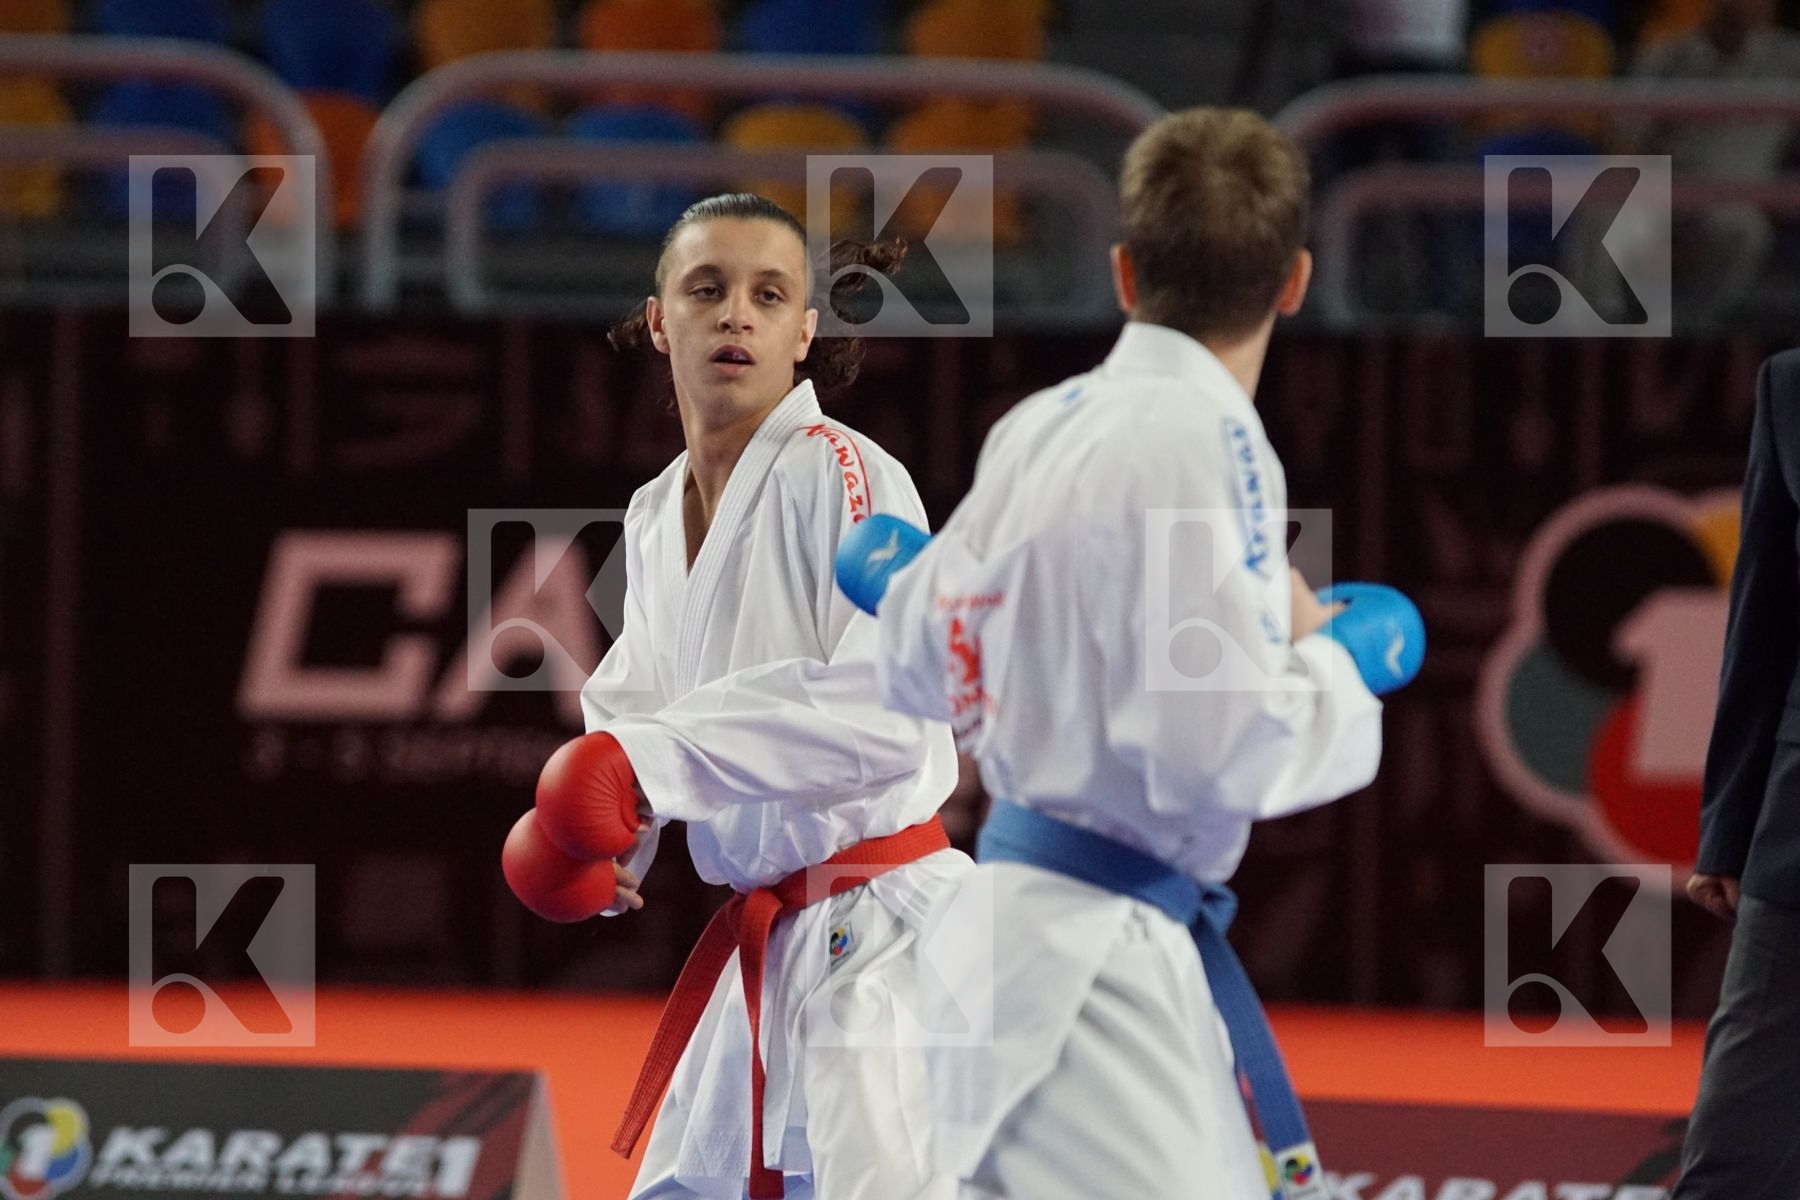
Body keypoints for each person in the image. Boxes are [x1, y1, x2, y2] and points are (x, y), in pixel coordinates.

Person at [844, 109, 1413, 1198]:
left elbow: (920, 661)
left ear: (1121, 270)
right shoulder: (1205, 438)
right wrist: (1338, 664)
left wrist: (903, 585)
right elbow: (1208, 747)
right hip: (1083, 976)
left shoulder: (1043, 423)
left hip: (1040, 948)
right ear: (1293, 281)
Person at [500, 192, 969, 1200]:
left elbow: (889, 711)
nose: (736, 315)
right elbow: (641, 689)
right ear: (660, 317)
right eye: (706, 290)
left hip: (883, 935)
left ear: (804, 332)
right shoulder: (654, 506)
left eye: (768, 294)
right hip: (773, 937)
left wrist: (643, 768)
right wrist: (625, 827)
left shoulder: (844, 474)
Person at [1674, 347, 1800, 1198]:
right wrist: (1729, 825)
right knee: (1736, 1164)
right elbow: (1764, 617)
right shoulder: (1791, 387)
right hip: (1798, 845)